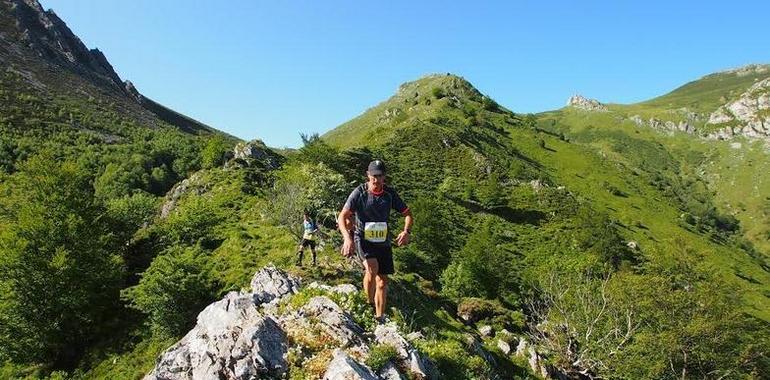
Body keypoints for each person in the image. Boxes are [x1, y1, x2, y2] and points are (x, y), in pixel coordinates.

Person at [338, 160, 413, 324]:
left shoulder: (390, 194)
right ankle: (368, 303)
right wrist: (347, 238)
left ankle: (380, 318)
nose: (376, 180)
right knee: (372, 268)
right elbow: (342, 216)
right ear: (368, 175)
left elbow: (408, 214)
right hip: (363, 239)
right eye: (373, 176)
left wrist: (406, 231)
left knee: (382, 281)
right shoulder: (360, 193)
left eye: (379, 176)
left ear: (384, 177)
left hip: (383, 242)